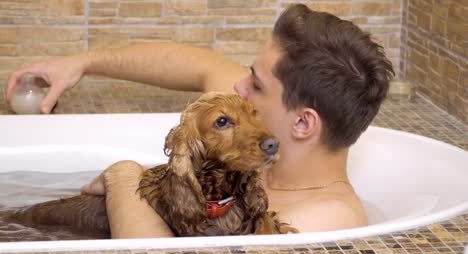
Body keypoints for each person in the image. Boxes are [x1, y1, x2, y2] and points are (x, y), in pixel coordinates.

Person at [4, 4, 394, 237]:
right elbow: (194, 63)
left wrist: (123, 176)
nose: (239, 86)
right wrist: (81, 63)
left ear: (304, 124)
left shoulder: (325, 220)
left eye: (256, 84)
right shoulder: (257, 135)